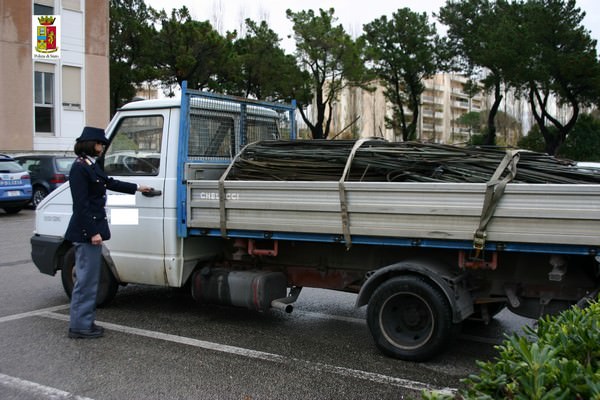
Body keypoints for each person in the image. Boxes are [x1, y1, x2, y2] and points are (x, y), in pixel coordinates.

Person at [65, 126, 151, 339]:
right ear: (90, 144)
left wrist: (138, 187)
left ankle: (85, 323)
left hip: (92, 231)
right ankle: (80, 327)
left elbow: (109, 183)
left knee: (90, 280)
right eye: (100, 143)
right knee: (85, 281)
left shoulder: (90, 165)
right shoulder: (79, 168)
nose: (102, 147)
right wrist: (93, 232)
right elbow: (81, 205)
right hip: (87, 233)